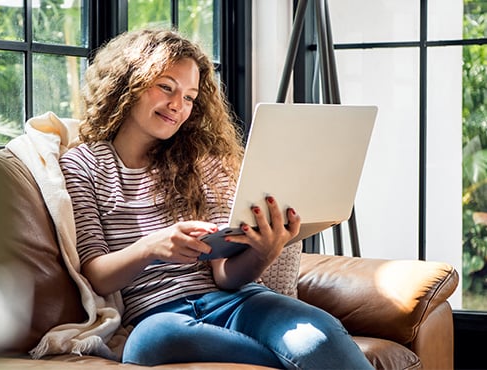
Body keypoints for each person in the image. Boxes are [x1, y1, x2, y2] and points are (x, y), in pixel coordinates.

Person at [59, 28, 373, 370]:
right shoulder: (84, 165)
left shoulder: (202, 163)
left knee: (319, 335)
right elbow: (97, 275)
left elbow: (225, 276)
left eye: (190, 97)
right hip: (160, 315)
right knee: (152, 343)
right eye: (166, 87)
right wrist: (151, 246)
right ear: (126, 84)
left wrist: (263, 251)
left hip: (240, 301)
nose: (178, 106)